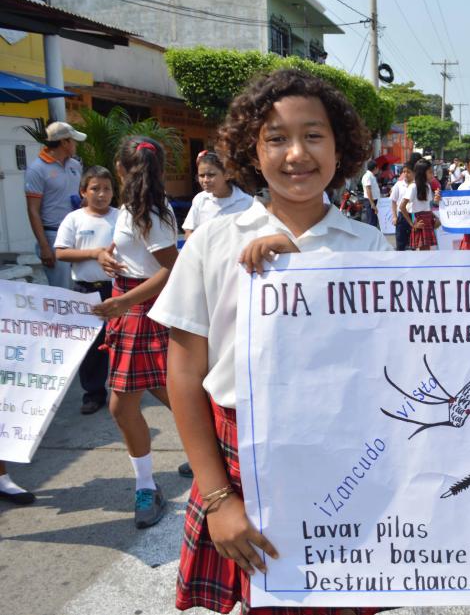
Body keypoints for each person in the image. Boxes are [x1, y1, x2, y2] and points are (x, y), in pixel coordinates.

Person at [149, 68, 389, 615]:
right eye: (276, 138)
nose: (296, 153)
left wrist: (303, 275)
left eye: (313, 134)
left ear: (341, 146)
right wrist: (216, 498)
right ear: (250, 152)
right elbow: (185, 375)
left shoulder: (370, 246)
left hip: (342, 461)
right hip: (237, 461)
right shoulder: (213, 240)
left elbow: (378, 364)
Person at [90, 136, 179, 529]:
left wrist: (125, 303)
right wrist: (105, 254)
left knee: (131, 404)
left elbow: (170, 268)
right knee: (163, 396)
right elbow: (130, 250)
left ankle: (149, 485)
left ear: (120, 168)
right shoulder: (132, 209)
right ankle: (149, 484)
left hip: (141, 308)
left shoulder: (153, 213)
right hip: (129, 305)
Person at [54, 166, 119, 415]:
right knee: (92, 345)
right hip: (85, 292)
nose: (102, 194)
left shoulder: (121, 217)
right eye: (95, 188)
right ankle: (93, 393)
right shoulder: (74, 219)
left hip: (117, 291)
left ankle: (125, 390)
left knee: (120, 341)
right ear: (83, 191)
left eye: (107, 189)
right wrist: (94, 253)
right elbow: (61, 252)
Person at [25, 121, 86, 289]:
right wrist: (44, 246)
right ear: (64, 142)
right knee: (62, 291)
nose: (76, 145)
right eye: (73, 141)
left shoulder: (75, 165)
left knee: (81, 286)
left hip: (77, 232)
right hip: (54, 235)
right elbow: (33, 210)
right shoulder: (37, 170)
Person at [182, 150, 253, 239]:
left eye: (211, 175)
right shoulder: (200, 199)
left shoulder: (247, 202)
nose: (205, 180)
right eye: (201, 175)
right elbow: (189, 230)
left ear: (228, 175)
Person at [402, 160, 438, 251]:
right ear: (422, 173)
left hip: (428, 219)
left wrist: (436, 217)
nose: (432, 175)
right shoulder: (413, 187)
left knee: (428, 249)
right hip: (420, 220)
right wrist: (412, 224)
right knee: (424, 251)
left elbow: (427, 207)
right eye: (430, 172)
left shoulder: (427, 186)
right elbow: (402, 207)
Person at [389, 162, 414, 251]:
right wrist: (394, 217)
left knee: (413, 244)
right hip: (401, 217)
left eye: (408, 172)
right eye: (404, 172)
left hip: (413, 216)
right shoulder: (398, 185)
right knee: (400, 244)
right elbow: (393, 201)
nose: (406, 174)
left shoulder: (416, 185)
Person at [360, 159, 381, 227]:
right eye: (377, 168)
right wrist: (372, 203)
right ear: (375, 168)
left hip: (373, 201)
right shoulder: (368, 176)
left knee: (374, 220)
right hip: (370, 201)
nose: (378, 170)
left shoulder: (371, 176)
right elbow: (368, 189)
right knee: (371, 221)